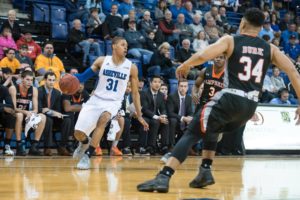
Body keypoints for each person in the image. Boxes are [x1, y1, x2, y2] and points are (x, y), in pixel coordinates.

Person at [137, 8, 300, 193]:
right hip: (250, 106)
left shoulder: (231, 40)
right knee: (212, 127)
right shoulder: (270, 49)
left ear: (242, 23)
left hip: (231, 97)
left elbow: (203, 55)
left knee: (192, 132)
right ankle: (205, 171)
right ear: (261, 27)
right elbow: (293, 72)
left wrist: (185, 64)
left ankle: (163, 176)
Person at [72, 37, 148, 169]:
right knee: (78, 133)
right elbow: (83, 77)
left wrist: (139, 115)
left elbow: (135, 93)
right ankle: (84, 142)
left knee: (104, 119)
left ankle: (87, 156)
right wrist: (69, 78)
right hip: (95, 100)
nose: (126, 47)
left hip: (113, 102)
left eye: (127, 45)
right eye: (122, 45)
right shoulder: (102, 61)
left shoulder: (131, 67)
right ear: (113, 46)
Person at [9, 70, 47, 156]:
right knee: (19, 115)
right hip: (14, 115)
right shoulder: (13, 88)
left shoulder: (34, 90)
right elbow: (14, 108)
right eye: (27, 79)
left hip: (27, 115)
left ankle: (34, 146)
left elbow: (36, 109)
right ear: (22, 79)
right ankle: (19, 146)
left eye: (31, 80)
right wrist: (25, 112)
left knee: (43, 117)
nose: (30, 82)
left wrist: (32, 113)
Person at [0, 85, 16, 156]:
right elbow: (5, 107)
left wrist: (3, 108)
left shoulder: (3, 89)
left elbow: (11, 105)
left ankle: (7, 146)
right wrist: (3, 108)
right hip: (1, 110)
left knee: (11, 116)